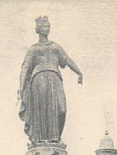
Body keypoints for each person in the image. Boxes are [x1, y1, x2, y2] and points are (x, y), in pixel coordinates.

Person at [18, 16, 82, 144]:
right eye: (44, 27)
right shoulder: (33, 49)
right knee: (41, 110)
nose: (47, 29)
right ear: (38, 29)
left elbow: (67, 59)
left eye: (48, 26)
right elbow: (25, 67)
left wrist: (79, 72)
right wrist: (20, 87)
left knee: (61, 109)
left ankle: (56, 137)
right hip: (38, 79)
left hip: (54, 78)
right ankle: (42, 140)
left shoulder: (55, 46)